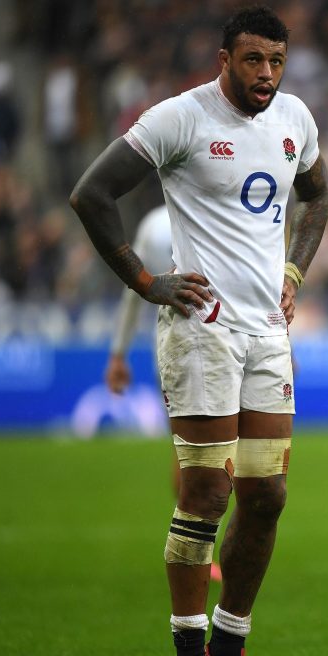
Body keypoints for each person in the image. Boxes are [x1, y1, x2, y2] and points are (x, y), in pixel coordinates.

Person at [69, 6, 328, 656]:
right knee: (207, 493)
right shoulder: (178, 118)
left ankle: (227, 655)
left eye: (276, 61)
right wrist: (148, 281)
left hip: (267, 335)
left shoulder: (295, 120)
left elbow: (319, 196)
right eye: (253, 60)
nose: (267, 75)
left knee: (267, 495)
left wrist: (294, 273)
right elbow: (91, 194)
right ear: (224, 59)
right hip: (202, 332)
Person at [104, 204, 223, 585]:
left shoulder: (154, 224)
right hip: (218, 347)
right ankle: (201, 551)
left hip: (182, 349)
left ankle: (198, 549)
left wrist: (119, 353)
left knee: (194, 457)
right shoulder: (217, 208)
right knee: (208, 461)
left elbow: (132, 291)